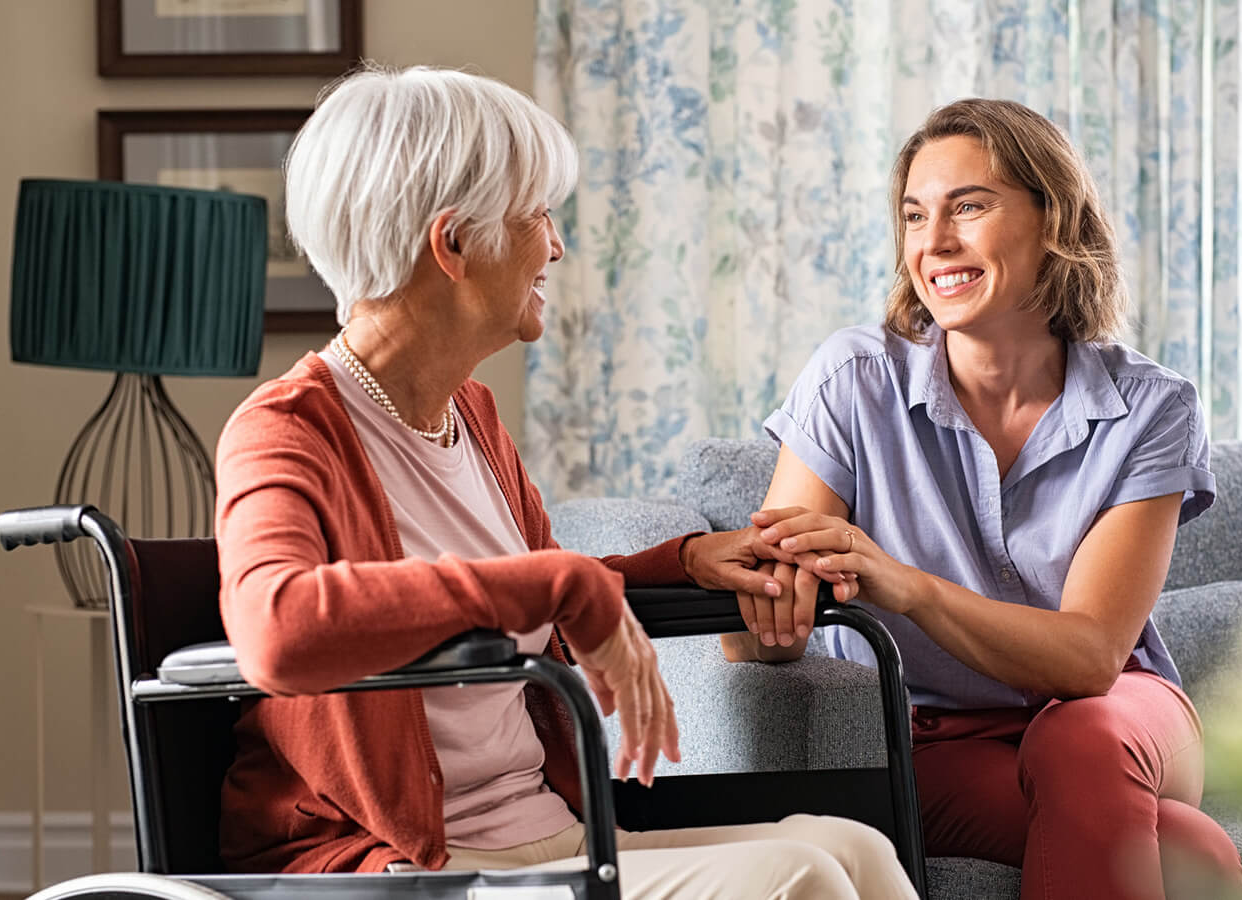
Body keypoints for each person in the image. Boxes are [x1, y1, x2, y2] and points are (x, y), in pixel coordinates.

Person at [211, 65, 916, 900]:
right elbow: (276, 631)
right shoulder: (287, 430)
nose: (557, 244)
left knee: (851, 846)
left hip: (539, 835)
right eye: (537, 216)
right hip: (399, 862)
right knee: (795, 876)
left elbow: (531, 599)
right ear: (454, 245)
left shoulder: (468, 417)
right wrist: (560, 580)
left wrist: (684, 562)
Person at [723, 98, 1242, 900]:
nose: (934, 244)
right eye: (914, 216)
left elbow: (1089, 659)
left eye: (968, 207)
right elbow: (759, 632)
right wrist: (770, 615)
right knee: (1192, 851)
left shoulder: (1151, 408)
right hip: (936, 739)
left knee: (1083, 736)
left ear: (1054, 220)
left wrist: (908, 586)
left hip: (1122, 714)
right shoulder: (851, 382)